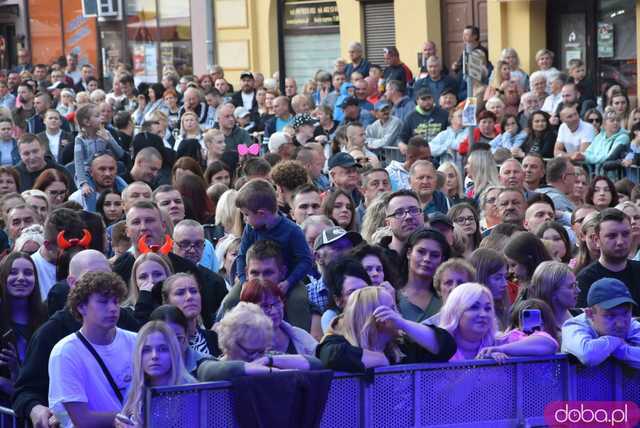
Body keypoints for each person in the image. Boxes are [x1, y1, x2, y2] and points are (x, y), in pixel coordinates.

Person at [48, 271, 136, 428]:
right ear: (81, 307)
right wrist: (133, 417)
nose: (113, 308)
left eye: (116, 302)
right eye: (103, 302)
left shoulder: (137, 341)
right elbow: (82, 420)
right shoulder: (65, 352)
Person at [316, 287, 456, 372]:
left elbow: (446, 347)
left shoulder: (400, 346)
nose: (397, 314)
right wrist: (380, 359)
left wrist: (404, 324)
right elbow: (332, 357)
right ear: (373, 317)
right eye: (391, 309)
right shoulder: (336, 344)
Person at [199, 302, 322, 381]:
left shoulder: (267, 358)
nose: (257, 357)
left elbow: (315, 364)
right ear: (229, 344)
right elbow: (214, 371)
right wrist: (267, 370)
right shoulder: (212, 365)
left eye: (262, 350)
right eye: (250, 352)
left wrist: (269, 360)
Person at [439, 282, 558, 361]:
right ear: (455, 311)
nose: (483, 314)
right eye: (474, 307)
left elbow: (549, 344)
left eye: (487, 308)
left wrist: (502, 349)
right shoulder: (439, 347)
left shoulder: (499, 342)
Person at [234, 179, 313, 292]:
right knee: (230, 301)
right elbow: (241, 256)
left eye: (246, 214)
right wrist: (243, 281)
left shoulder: (292, 231)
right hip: (254, 280)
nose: (244, 219)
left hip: (285, 282)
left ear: (261, 213)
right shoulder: (250, 228)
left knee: (298, 300)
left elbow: (305, 260)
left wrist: (288, 282)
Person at [116, 321, 194, 427]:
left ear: (173, 352)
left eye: (163, 349)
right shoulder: (134, 389)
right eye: (146, 350)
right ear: (139, 355)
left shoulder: (190, 392)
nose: (154, 356)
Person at [564, 277, 640, 368]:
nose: (620, 324)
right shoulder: (573, 325)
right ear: (590, 314)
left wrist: (618, 350)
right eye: (611, 316)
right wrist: (617, 341)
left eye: (626, 313)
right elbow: (588, 356)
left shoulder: (632, 325)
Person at [0, 252, 46, 402]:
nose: (21, 278)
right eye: (13, 272)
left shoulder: (46, 318)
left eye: (28, 273)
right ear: (3, 278)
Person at [240, 278, 317, 357]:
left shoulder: (300, 336)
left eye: (277, 303)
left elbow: (320, 361)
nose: (274, 311)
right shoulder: (239, 344)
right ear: (248, 309)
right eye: (265, 306)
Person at [398, 229, 451, 323]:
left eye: (434, 255)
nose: (427, 259)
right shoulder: (391, 295)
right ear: (409, 253)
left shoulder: (447, 298)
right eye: (421, 252)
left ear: (442, 260)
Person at [528, 261, 579, 332]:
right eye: (571, 286)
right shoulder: (532, 323)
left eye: (576, 285)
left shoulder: (583, 315)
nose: (578, 290)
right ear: (551, 291)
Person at [379, 190, 425, 267]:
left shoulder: (436, 253)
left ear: (422, 216)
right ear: (388, 223)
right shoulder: (378, 259)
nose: (408, 217)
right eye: (399, 213)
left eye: (414, 210)